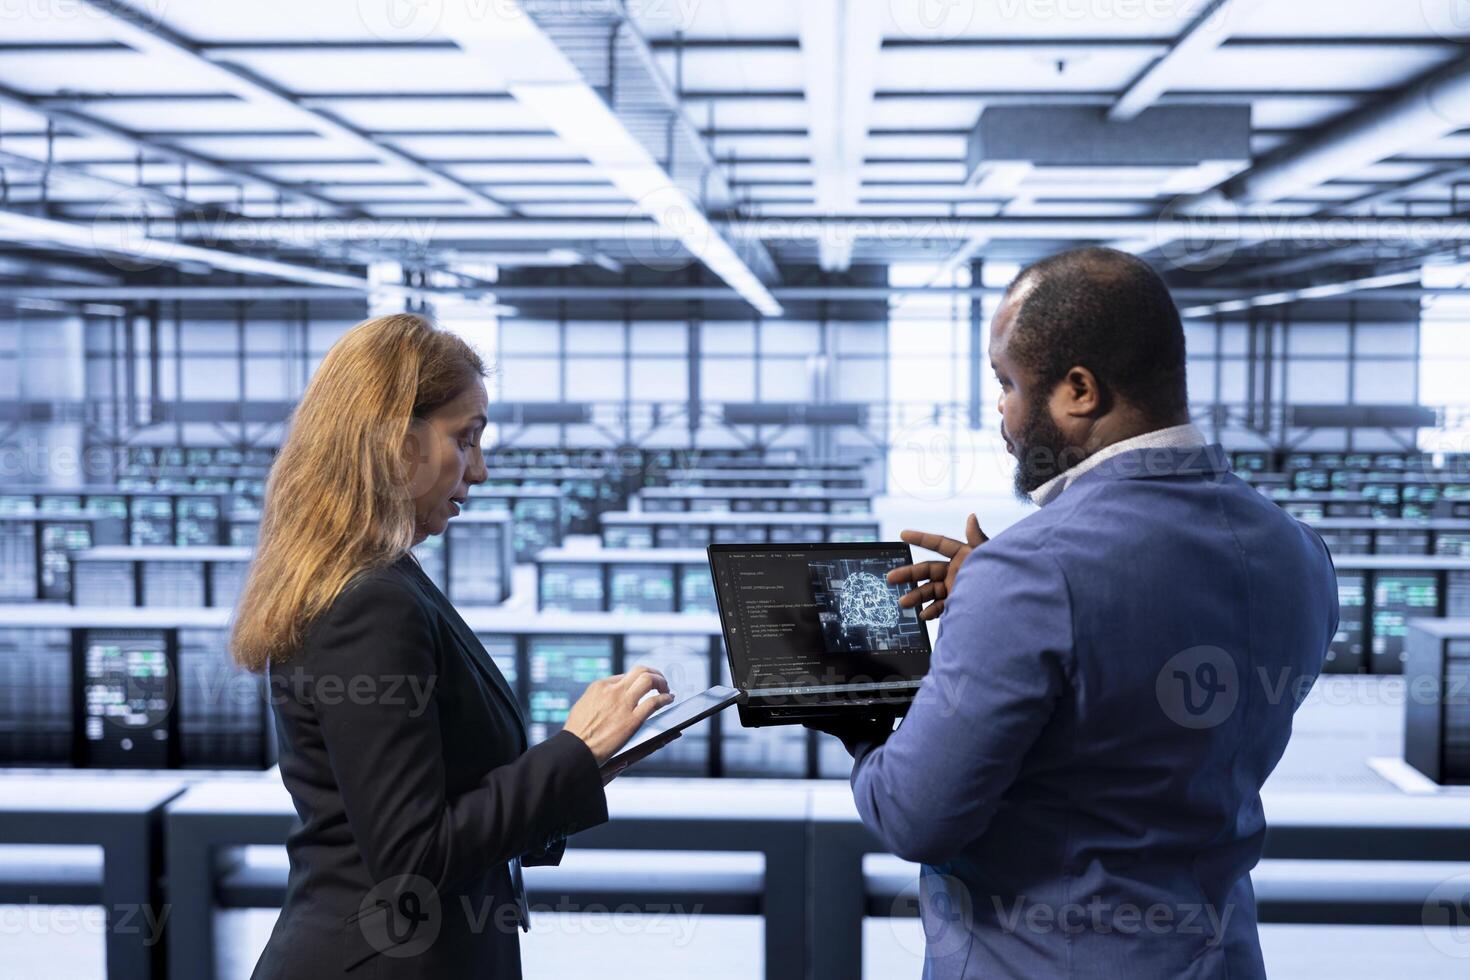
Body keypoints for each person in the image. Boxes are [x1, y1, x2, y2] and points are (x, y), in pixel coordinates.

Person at [818, 247, 1338, 978]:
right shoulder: (1299, 552)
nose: (1000, 410)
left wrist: (860, 718)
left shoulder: (1028, 576)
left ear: (1080, 390)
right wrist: (999, 605)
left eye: (1006, 383)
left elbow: (915, 815)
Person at [232, 313, 673, 979]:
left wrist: (585, 766)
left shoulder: (377, 579)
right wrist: (571, 751)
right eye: (464, 440)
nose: (481, 469)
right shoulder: (371, 603)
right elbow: (413, 857)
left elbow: (438, 802)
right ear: (393, 443)